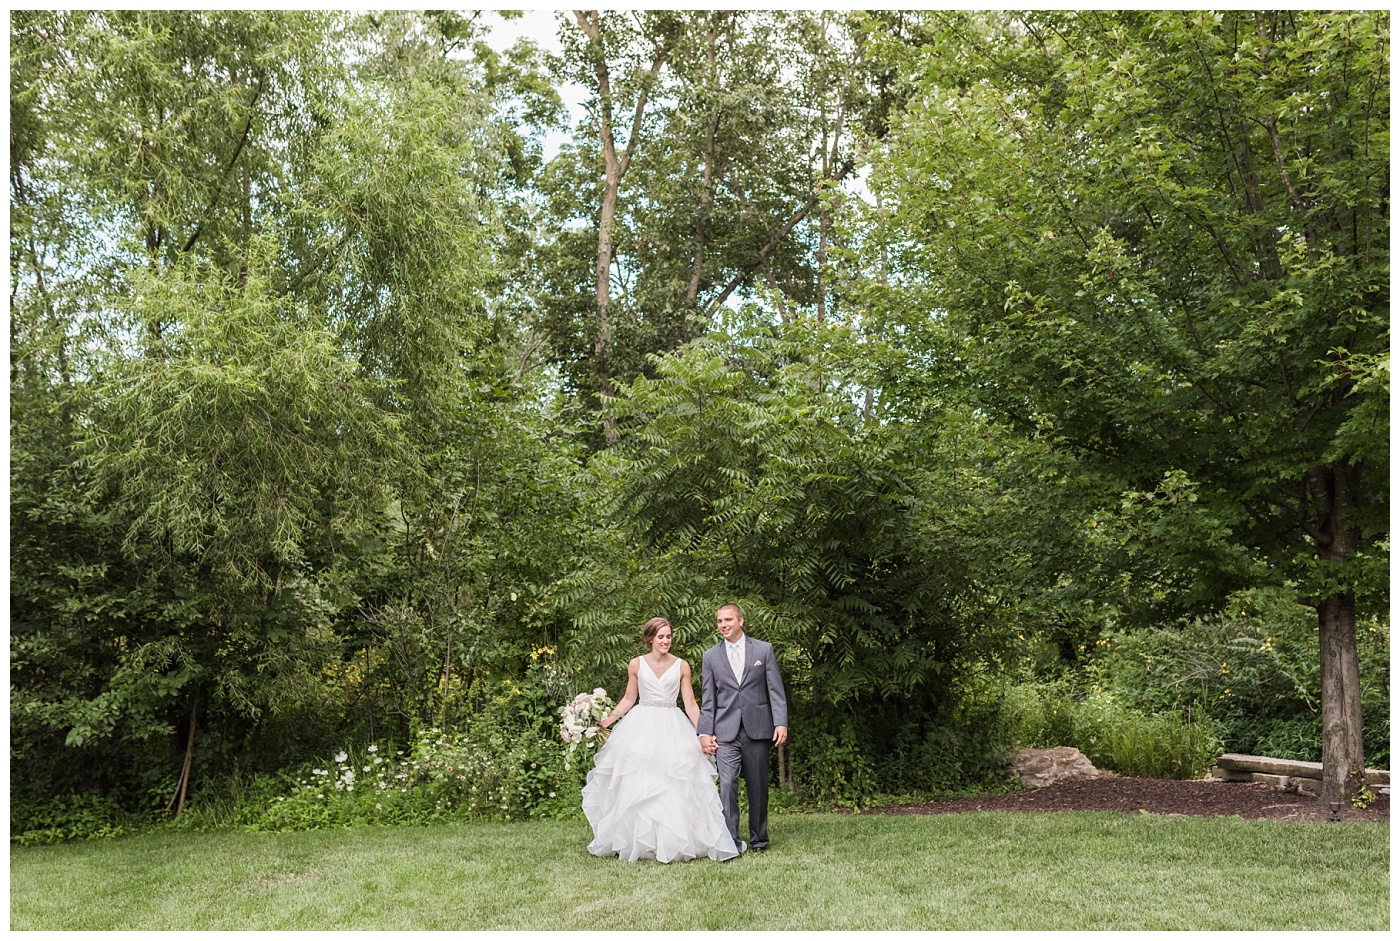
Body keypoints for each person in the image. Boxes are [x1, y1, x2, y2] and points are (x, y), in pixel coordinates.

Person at [582, 617, 739, 863]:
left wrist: (704, 733)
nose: (666, 641)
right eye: (661, 637)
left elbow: (690, 703)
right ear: (650, 639)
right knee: (640, 782)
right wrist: (607, 721)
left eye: (668, 636)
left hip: (672, 724)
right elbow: (628, 698)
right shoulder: (636, 664)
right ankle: (639, 841)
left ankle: (674, 841)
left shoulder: (681, 665)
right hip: (641, 725)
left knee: (675, 782)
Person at [697, 603, 788, 855]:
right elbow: (708, 698)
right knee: (727, 785)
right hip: (725, 731)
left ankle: (759, 840)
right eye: (719, 621)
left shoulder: (763, 650)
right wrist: (705, 732)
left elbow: (775, 690)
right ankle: (731, 842)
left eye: (728, 619)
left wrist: (780, 722)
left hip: (758, 728)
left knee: (758, 787)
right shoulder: (710, 657)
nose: (723, 625)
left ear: (740, 621)